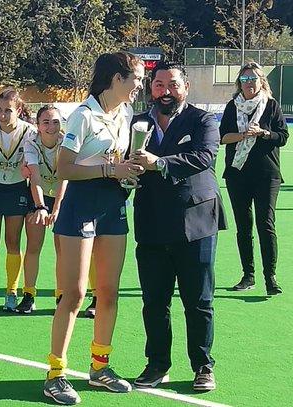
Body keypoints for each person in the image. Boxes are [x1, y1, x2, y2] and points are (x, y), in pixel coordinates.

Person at [44, 52, 144, 405]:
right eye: (136, 78)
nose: (140, 85)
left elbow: (115, 162)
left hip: (113, 206)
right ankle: (55, 374)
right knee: (73, 295)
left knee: (108, 292)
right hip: (80, 206)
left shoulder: (126, 114)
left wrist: (128, 172)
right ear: (116, 79)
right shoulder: (82, 116)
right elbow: (64, 168)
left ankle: (100, 367)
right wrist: (108, 171)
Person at [129, 61, 226, 392]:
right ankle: (157, 364)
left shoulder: (202, 120)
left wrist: (159, 163)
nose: (165, 91)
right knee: (154, 301)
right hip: (152, 222)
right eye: (158, 85)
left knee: (198, 301)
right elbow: (127, 159)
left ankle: (203, 366)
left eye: (172, 85)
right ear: (151, 88)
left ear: (185, 88)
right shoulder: (138, 121)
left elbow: (204, 157)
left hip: (195, 223)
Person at [219, 62, 288, 295]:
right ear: (240, 83)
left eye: (253, 79)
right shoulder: (232, 106)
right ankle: (248, 275)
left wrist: (264, 133)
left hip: (267, 174)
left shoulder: (271, 105)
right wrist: (242, 135)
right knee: (243, 226)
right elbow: (223, 137)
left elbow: (283, 137)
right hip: (238, 174)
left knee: (265, 225)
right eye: (245, 79)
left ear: (262, 82)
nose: (249, 83)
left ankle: (271, 277)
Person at [0, 88, 34, 312]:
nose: (2, 115)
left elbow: (33, 161)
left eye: (8, 110)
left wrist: (27, 166)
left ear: (18, 110)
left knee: (13, 241)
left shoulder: (29, 132)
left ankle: (12, 291)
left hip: (17, 189)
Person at [19, 105, 68, 313]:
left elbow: (65, 177)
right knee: (33, 246)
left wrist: (56, 209)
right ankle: (29, 295)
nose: (51, 126)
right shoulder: (31, 143)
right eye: (46, 122)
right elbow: (35, 177)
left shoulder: (67, 142)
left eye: (55, 121)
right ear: (37, 126)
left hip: (64, 196)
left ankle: (61, 296)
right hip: (38, 196)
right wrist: (40, 207)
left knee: (63, 250)